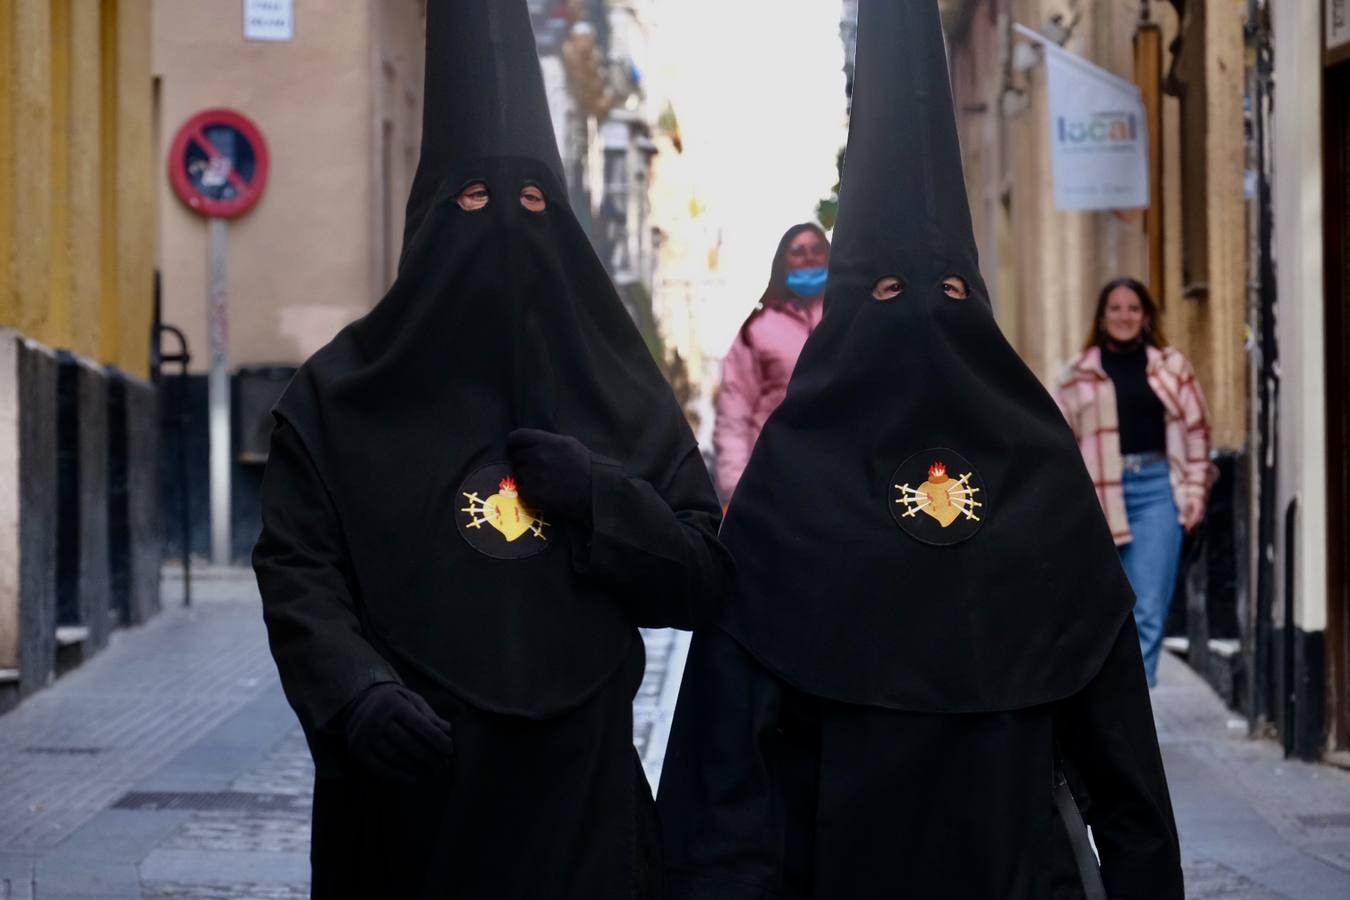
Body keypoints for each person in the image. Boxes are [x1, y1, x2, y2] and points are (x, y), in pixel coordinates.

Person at [656, 1, 1183, 898]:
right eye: (892, 291)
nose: (925, 319)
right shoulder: (791, 489)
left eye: (947, 291)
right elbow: (725, 776)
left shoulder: (1036, 472)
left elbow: (1122, 751)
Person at [251, 2, 732, 897]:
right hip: (404, 815)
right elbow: (297, 571)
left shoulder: (618, 388)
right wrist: (355, 693)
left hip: (582, 815)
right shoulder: (337, 398)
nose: (503, 224)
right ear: (432, 216)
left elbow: (703, 574)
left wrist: (599, 497)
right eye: (474, 200)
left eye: (531, 203)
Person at [1054, 278, 1214, 687]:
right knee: (1102, 608)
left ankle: (1137, 722)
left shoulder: (1171, 366)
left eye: (1133, 309)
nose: (1124, 316)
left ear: (1145, 317)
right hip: (1100, 496)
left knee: (1148, 610)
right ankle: (1105, 715)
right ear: (1102, 317)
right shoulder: (1076, 374)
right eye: (1116, 308)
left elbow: (1197, 432)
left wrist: (1194, 493)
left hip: (1159, 491)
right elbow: (1059, 443)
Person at [713, 224, 830, 501]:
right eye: (798, 251)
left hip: (842, 477)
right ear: (782, 262)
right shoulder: (757, 330)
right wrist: (734, 487)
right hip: (775, 480)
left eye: (817, 249)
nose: (809, 257)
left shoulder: (849, 320)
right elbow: (734, 412)